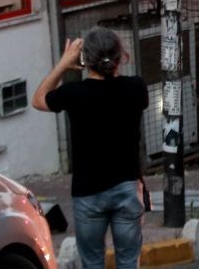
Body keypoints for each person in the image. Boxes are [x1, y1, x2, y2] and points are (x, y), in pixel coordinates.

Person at [35, 29, 150, 269]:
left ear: (85, 60)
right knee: (129, 261)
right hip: (127, 188)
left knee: (92, 263)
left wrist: (63, 64)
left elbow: (38, 99)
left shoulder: (73, 93)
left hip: (87, 193)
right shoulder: (136, 88)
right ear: (121, 57)